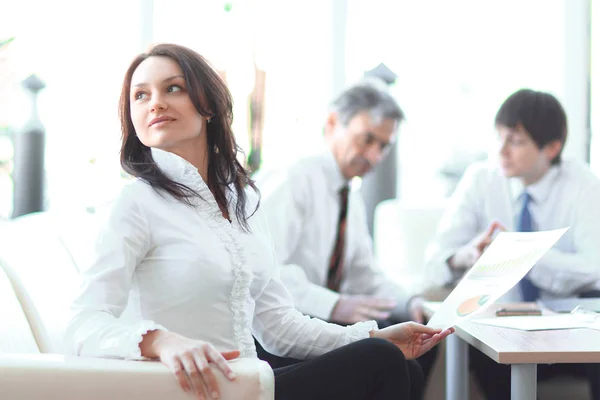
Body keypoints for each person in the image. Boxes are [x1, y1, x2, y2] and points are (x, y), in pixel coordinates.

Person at [64, 43, 453, 400]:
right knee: (380, 362)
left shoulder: (243, 201)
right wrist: (162, 342)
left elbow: (279, 325)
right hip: (190, 391)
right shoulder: (134, 203)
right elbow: (83, 324)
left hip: (250, 384)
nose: (155, 103)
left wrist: (374, 334)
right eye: (140, 95)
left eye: (173, 88)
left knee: (400, 363)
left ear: (208, 105)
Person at [253, 78, 438, 388]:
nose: (375, 157)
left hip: (322, 318)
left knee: (423, 342)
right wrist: (335, 304)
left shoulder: (349, 195)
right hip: (282, 328)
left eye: (383, 146)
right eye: (367, 139)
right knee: (402, 363)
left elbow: (365, 274)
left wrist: (410, 302)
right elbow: (263, 274)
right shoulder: (292, 178)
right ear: (332, 123)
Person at [424, 88, 600, 400]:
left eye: (516, 142)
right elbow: (435, 261)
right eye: (500, 137)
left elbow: (594, 266)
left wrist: (524, 254)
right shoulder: (481, 179)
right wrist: (468, 255)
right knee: (479, 343)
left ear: (551, 147)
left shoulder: (582, 184)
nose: (502, 151)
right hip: (502, 325)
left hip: (568, 326)